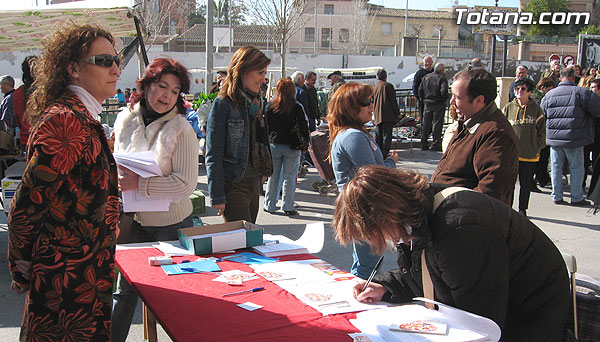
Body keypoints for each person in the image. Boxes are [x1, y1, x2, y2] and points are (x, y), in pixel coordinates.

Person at [333, 165, 570, 342]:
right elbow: (428, 275)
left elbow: (481, 325)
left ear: (387, 215)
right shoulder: (418, 216)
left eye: (377, 234)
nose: (383, 241)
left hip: (528, 317)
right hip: (505, 307)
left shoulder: (459, 231)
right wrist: (386, 287)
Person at [7, 22, 120, 341]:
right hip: (64, 290)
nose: (114, 68)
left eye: (116, 60)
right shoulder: (65, 122)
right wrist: (22, 265)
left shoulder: (81, 117)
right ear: (72, 68)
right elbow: (24, 209)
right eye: (103, 61)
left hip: (81, 282)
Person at [111, 58, 198, 341]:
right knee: (124, 293)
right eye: (162, 87)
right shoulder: (125, 119)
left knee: (173, 297)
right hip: (131, 220)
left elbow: (186, 184)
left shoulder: (182, 129)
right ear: (146, 85)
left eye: (174, 91)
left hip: (170, 225)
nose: (167, 96)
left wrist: (143, 184)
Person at [327, 82, 399, 279]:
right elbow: (374, 175)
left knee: (366, 263)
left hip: (362, 207)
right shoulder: (352, 136)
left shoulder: (354, 134)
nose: (371, 106)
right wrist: (390, 163)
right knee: (366, 267)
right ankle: (355, 302)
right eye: (365, 102)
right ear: (350, 107)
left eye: (371, 101)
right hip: (362, 208)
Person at [431, 67, 519, 206]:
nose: (452, 102)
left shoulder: (496, 135)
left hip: (464, 221)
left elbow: (489, 196)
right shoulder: (469, 123)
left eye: (457, 97)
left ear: (479, 101)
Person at [206, 46, 271, 223]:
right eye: (259, 72)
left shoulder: (257, 102)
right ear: (242, 70)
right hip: (234, 184)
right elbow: (213, 152)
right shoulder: (224, 104)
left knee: (249, 239)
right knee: (243, 242)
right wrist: (217, 195)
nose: (263, 79)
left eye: (264, 73)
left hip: (253, 183)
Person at [541, 67, 600, 206]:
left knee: (556, 167)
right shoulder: (582, 93)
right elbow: (597, 110)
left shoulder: (549, 95)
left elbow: (542, 114)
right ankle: (576, 197)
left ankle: (557, 195)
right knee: (576, 167)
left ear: (560, 78)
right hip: (575, 137)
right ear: (573, 78)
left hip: (554, 138)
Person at [263, 78, 309, 216]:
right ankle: (288, 206)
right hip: (292, 146)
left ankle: (269, 205)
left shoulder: (270, 106)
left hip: (274, 145)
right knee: (290, 177)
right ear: (292, 91)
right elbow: (303, 128)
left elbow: (265, 127)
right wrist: (305, 144)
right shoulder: (297, 107)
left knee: (274, 176)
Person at [503, 78, 546, 217]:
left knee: (526, 185)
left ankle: (522, 209)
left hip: (530, 154)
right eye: (517, 89)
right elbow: (501, 128)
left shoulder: (536, 110)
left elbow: (542, 132)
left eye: (522, 89)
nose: (519, 91)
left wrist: (538, 146)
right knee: (508, 184)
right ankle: (507, 207)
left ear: (530, 92)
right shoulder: (509, 108)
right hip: (511, 154)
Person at [418, 62, 448, 151]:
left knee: (426, 124)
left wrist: (422, 99)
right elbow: (444, 91)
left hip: (427, 103)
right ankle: (435, 144)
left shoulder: (426, 77)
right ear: (441, 70)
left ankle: (424, 143)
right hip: (438, 103)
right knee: (437, 124)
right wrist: (443, 100)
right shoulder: (442, 78)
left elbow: (420, 90)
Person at [372, 68, 400, 157]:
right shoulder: (388, 86)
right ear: (385, 77)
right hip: (387, 115)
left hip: (377, 115)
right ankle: (384, 154)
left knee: (378, 136)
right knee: (387, 136)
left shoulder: (375, 87)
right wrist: (397, 113)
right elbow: (393, 101)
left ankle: (378, 153)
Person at [11, 56, 36, 150]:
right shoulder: (44, 92)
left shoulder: (17, 93)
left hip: (25, 141)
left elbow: (17, 120)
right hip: (42, 139)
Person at [412, 56, 434, 131]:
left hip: (433, 100)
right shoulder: (419, 73)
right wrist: (419, 98)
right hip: (422, 100)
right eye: (426, 61)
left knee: (433, 118)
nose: (428, 63)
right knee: (423, 118)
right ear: (423, 62)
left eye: (429, 61)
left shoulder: (435, 72)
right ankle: (424, 133)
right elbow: (415, 87)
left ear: (432, 62)